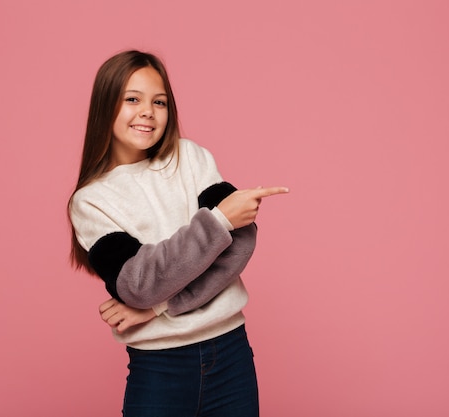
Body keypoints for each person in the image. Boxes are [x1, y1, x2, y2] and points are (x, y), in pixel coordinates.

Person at [67, 50, 288, 417]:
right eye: (132, 99)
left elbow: (240, 245)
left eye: (159, 102)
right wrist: (217, 223)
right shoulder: (92, 201)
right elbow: (138, 284)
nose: (147, 112)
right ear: (105, 106)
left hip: (231, 353)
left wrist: (159, 308)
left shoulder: (191, 159)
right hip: (160, 369)